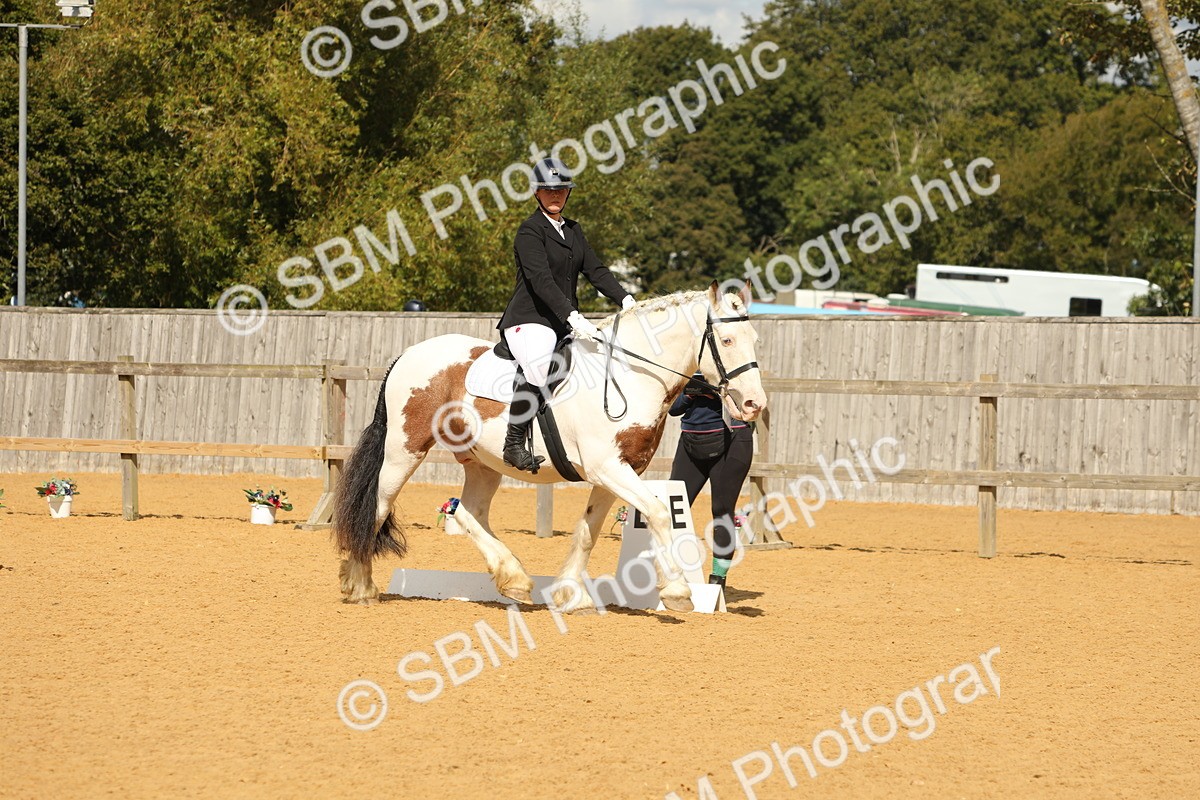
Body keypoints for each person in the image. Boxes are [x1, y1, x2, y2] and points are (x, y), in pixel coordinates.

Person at [497, 157, 636, 471]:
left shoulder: (573, 231)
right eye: (548, 190)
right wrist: (572, 315)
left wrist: (626, 300)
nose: (555, 195)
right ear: (536, 192)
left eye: (561, 189)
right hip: (530, 320)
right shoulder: (529, 231)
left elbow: (596, 271)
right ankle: (513, 443)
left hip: (562, 321)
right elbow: (541, 280)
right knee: (539, 364)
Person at [668, 372, 754, 588]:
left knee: (722, 511)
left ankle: (718, 582)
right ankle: (670, 574)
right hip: (690, 441)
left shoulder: (739, 369)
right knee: (674, 508)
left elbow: (751, 405)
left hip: (732, 439)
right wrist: (690, 392)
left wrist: (718, 393)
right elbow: (674, 409)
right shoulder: (689, 371)